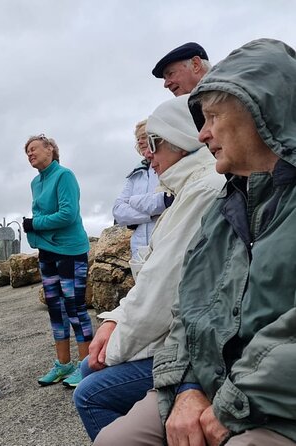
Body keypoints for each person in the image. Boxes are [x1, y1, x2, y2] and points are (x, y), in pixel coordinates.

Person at [95, 38, 296, 446]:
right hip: (211, 381)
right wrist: (186, 385)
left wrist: (232, 399)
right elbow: (187, 306)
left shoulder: (209, 193)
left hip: (275, 398)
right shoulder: (226, 206)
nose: (202, 135)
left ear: (263, 112)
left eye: (214, 117)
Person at [73, 95, 225, 440]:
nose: (147, 155)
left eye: (154, 144)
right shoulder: (188, 188)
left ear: (181, 140)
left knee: (89, 391)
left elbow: (162, 293)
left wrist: (113, 350)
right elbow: (153, 279)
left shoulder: (202, 191)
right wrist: (113, 320)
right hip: (177, 335)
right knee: (88, 369)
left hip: (189, 345)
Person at [22, 134, 92, 389]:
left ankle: (87, 366)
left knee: (74, 307)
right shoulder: (35, 183)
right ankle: (64, 364)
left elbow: (67, 214)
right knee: (55, 309)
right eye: (26, 152)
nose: (29, 154)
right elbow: (41, 214)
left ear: (50, 149)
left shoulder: (64, 176)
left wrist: (33, 225)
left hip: (70, 251)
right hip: (47, 252)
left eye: (33, 149)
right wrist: (36, 230)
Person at [112, 119, 167, 260]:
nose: (140, 142)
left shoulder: (168, 167)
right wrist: (151, 215)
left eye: (144, 137)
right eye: (138, 139)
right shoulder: (137, 174)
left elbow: (169, 199)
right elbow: (118, 211)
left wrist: (133, 202)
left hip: (164, 246)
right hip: (139, 251)